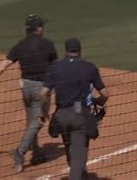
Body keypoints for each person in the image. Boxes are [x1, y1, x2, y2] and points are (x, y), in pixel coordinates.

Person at [0, 14, 57, 173]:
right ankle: (20, 151)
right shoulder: (48, 45)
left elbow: (4, 63)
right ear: (38, 28)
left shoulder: (20, 45)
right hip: (41, 88)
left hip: (25, 87)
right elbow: (55, 69)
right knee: (40, 120)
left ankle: (37, 151)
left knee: (31, 120)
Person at [41, 38, 109, 180]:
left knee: (70, 149)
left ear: (65, 50)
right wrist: (99, 102)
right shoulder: (89, 67)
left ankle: (82, 176)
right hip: (80, 117)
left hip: (61, 116)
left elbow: (43, 93)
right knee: (79, 155)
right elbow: (105, 94)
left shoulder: (55, 67)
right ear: (79, 50)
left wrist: (44, 112)